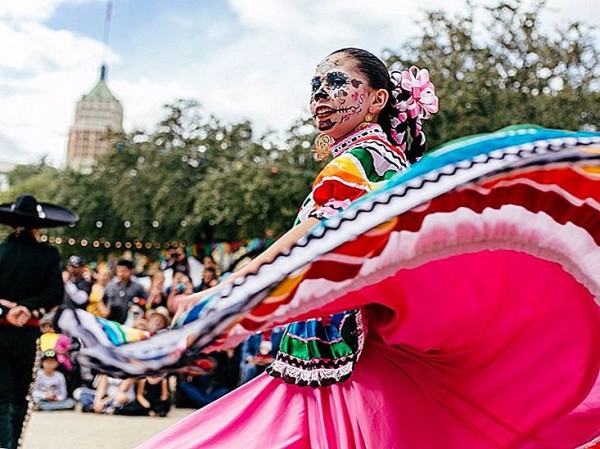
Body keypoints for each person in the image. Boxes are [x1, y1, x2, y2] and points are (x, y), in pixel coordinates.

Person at [137, 47, 438, 448]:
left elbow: (306, 241)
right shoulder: (388, 161)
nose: (320, 96)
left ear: (377, 99)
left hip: (340, 352)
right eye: (315, 86)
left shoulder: (356, 163)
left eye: (336, 83)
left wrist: (220, 293)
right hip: (360, 346)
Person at [0, 193, 77, 449]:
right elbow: (55, 293)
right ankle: (13, 445)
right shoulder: (48, 255)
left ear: (12, 225)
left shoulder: (1, 252)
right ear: (37, 226)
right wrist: (30, 308)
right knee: (21, 393)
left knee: (2, 395)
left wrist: (6, 311)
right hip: (28, 333)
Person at [102, 259, 147, 325]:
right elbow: (102, 301)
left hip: (130, 322)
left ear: (131, 271)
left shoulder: (138, 287)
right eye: (118, 271)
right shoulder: (110, 287)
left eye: (123, 271)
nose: (121, 274)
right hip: (111, 320)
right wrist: (104, 309)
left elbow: (144, 302)